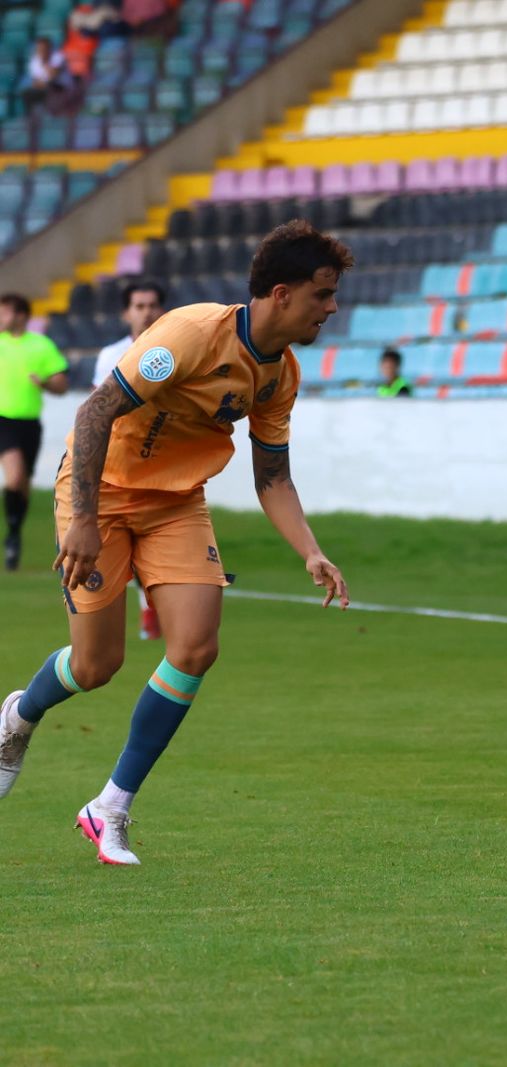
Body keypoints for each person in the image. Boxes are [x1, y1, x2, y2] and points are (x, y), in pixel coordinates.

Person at [0, 220, 354, 866]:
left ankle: (110, 806)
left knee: (195, 645)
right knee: (95, 665)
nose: (332, 308)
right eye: (322, 294)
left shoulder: (280, 375)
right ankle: (18, 716)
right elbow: (95, 411)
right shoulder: (191, 333)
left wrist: (310, 548)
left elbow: (272, 475)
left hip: (175, 505)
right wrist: (80, 516)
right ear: (281, 293)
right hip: (100, 495)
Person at [92, 279, 167, 641]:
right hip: (118, 466)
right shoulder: (110, 355)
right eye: (139, 306)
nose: (147, 312)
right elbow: (96, 411)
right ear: (126, 312)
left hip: (163, 462)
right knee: (127, 544)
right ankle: (145, 608)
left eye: (152, 305)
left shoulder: (175, 351)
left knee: (158, 541)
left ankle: (155, 607)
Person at [0, 293, 69, 572]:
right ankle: (13, 535)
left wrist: (45, 384)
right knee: (14, 477)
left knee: (23, 485)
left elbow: (62, 384)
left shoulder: (41, 346)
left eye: (4, 312)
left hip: (29, 424)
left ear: (21, 315)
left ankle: (14, 534)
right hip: (3, 420)